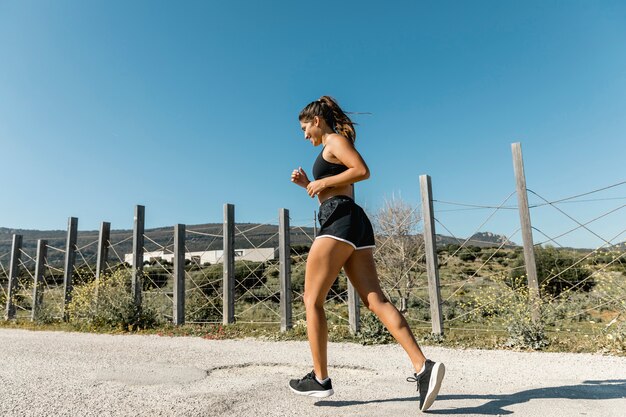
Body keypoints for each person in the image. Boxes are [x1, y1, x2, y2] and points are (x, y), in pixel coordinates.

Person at [288, 96, 445, 412]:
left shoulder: (333, 140)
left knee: (311, 300)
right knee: (376, 301)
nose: (305, 135)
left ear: (316, 121)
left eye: (305, 128)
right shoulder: (330, 147)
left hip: (340, 221)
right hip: (353, 223)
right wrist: (311, 184)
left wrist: (322, 181)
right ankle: (423, 367)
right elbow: (334, 190)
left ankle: (320, 379)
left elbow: (362, 170)